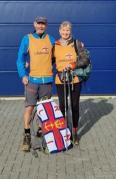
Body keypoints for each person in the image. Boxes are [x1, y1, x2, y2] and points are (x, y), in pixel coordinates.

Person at [16, 16, 55, 151]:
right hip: (32, 81)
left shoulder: (51, 39)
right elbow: (20, 58)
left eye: (43, 24)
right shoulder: (27, 39)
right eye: (38, 23)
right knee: (29, 108)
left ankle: (41, 130)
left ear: (46, 25)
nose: (41, 26)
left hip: (47, 81)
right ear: (34, 24)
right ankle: (26, 136)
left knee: (44, 109)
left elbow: (57, 56)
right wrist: (23, 75)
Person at [54, 21, 86, 145]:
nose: (65, 32)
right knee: (63, 106)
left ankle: (75, 132)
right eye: (63, 30)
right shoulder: (54, 45)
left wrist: (73, 64)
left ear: (70, 31)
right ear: (59, 31)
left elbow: (85, 59)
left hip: (74, 80)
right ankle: (64, 132)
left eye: (67, 30)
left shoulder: (77, 43)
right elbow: (48, 59)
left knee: (74, 106)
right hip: (60, 80)